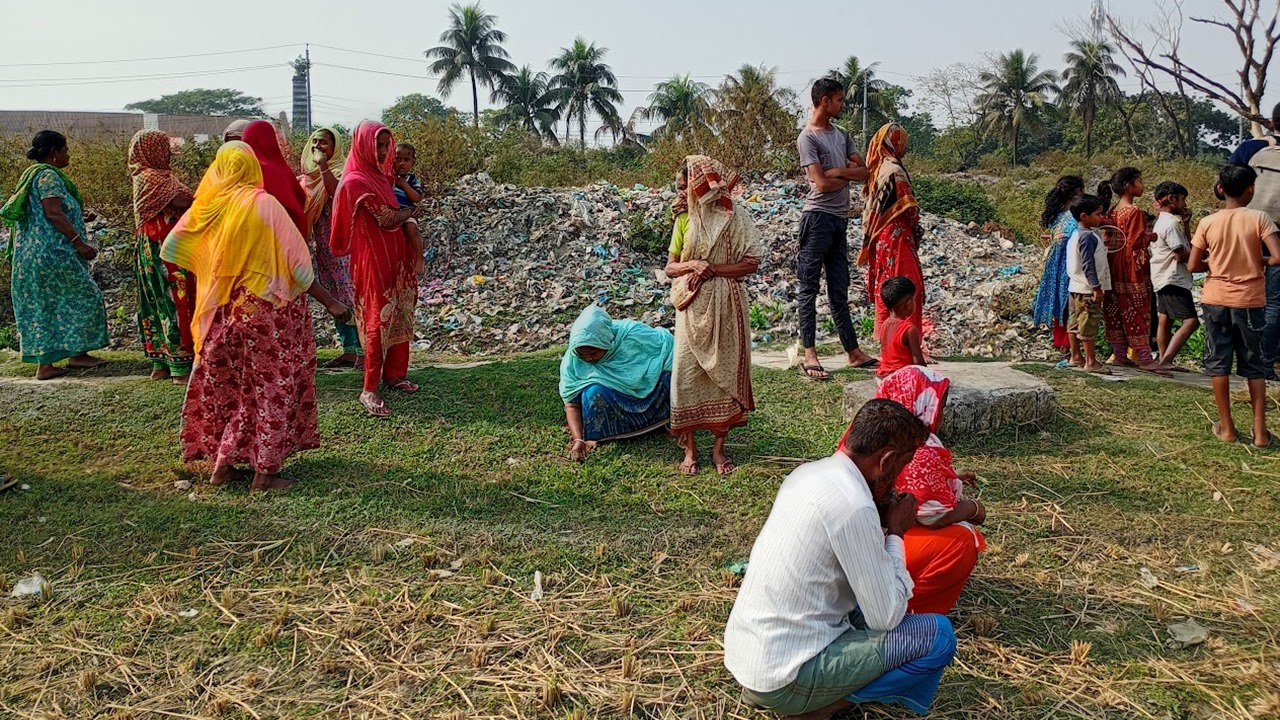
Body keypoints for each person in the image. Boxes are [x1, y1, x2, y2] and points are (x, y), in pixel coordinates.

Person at [724, 399, 955, 719]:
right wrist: (897, 533)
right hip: (783, 680)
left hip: (750, 660)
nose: (900, 481)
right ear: (886, 460)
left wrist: (881, 523)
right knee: (938, 636)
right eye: (901, 467)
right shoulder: (855, 505)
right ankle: (817, 707)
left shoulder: (809, 473)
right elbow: (885, 617)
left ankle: (798, 694)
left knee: (876, 602)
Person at [160, 142, 350, 492]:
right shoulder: (263, 204)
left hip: (224, 311)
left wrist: (214, 266)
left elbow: (171, 247)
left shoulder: (209, 206)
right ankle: (265, 473)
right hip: (269, 312)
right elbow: (299, 268)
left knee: (235, 386)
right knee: (272, 386)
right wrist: (332, 304)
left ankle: (223, 466)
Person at [845, 366, 987, 615]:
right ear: (923, 405)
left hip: (855, 544)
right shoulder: (919, 448)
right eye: (940, 406)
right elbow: (932, 517)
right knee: (963, 539)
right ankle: (909, 609)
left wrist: (952, 476)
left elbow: (906, 485)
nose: (941, 414)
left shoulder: (865, 435)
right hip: (876, 549)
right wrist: (973, 508)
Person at [664, 155, 762, 476]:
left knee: (724, 374)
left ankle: (719, 449)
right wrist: (693, 265)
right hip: (690, 306)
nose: (680, 195)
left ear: (703, 185)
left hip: (726, 304)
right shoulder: (684, 220)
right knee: (685, 376)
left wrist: (713, 270)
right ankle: (690, 449)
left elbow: (751, 263)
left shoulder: (737, 217)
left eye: (685, 187)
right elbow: (670, 267)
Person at [0, 130, 109, 380]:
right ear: (54, 153)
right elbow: (53, 213)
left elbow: (48, 211)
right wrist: (80, 243)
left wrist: (79, 217)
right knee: (85, 296)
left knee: (46, 305)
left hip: (33, 255)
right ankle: (57, 362)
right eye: (65, 149)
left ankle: (65, 358)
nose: (68, 154)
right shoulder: (48, 176)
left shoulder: (31, 175)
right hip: (52, 254)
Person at [331, 121, 420, 418]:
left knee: (400, 311)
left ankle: (394, 374)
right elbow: (385, 218)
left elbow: (397, 213)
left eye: (385, 146)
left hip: (397, 255)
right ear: (362, 145)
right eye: (377, 146)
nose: (383, 152)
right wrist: (409, 212)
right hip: (373, 258)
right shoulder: (356, 181)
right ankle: (369, 388)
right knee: (376, 318)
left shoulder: (382, 177)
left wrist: (404, 214)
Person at [1189, 164, 1280, 448]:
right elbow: (1277, 257)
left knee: (1219, 364)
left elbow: (1193, 265)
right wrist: (1259, 261)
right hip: (1250, 300)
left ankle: (1227, 428)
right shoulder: (1259, 218)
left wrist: (1214, 264)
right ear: (1250, 189)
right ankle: (1260, 433)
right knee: (1254, 366)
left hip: (1216, 298)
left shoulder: (1208, 222)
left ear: (1220, 189)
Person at [795, 78, 877, 381]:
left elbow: (864, 171)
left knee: (839, 289)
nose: (843, 105)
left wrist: (839, 170)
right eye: (839, 100)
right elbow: (822, 184)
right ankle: (810, 353)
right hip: (817, 218)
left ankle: (853, 352)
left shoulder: (841, 135)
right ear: (825, 101)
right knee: (809, 287)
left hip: (839, 219)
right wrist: (845, 173)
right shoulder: (808, 138)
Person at [558, 304, 674, 462]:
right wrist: (578, 440)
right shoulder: (572, 361)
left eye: (594, 353)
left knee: (670, 378)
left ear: (606, 342)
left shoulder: (633, 334)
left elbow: (667, 347)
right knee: (592, 394)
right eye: (583, 355)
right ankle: (601, 433)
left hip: (648, 391)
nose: (588, 359)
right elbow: (571, 405)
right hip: (612, 398)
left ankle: (665, 422)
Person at [128, 130, 195, 383]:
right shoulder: (152, 177)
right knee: (173, 298)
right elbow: (181, 202)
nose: (168, 152)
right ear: (152, 149)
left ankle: (161, 364)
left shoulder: (149, 176)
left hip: (152, 243)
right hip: (163, 245)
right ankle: (179, 367)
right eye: (163, 146)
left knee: (156, 299)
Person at [299, 126, 363, 370]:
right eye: (315, 141)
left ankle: (361, 350)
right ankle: (348, 350)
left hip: (344, 244)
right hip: (324, 247)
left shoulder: (341, 171)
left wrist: (324, 166)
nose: (318, 146)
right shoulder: (308, 176)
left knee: (349, 293)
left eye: (324, 142)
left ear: (335, 147)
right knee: (334, 295)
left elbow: (337, 193)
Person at [861, 123, 925, 343]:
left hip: (881, 240)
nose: (904, 147)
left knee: (886, 288)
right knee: (907, 288)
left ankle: (886, 340)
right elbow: (908, 208)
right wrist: (917, 228)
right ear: (895, 142)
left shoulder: (878, 170)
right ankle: (908, 342)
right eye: (902, 141)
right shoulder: (895, 171)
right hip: (897, 238)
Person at [1104, 167, 1166, 375]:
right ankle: (1145, 358)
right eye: (1139, 181)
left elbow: (1110, 239)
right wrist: (1150, 238)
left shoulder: (1112, 211)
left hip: (1113, 264)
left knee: (1117, 308)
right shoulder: (1135, 212)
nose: (1143, 185)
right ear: (1129, 186)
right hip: (1130, 267)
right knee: (1137, 309)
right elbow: (1135, 243)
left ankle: (1120, 354)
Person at [1032, 176, 1086, 366]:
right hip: (1070, 264)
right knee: (1071, 306)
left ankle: (1064, 346)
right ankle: (1071, 348)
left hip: (1055, 263)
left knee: (1061, 306)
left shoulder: (1057, 214)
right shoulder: (1074, 214)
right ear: (1077, 191)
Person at [1149, 181, 1199, 370]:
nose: (1184, 204)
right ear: (1172, 199)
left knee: (1165, 318)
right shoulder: (1169, 224)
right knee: (1191, 321)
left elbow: (1186, 243)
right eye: (1182, 199)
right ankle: (1167, 359)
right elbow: (1181, 253)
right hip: (1173, 278)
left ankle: (1164, 359)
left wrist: (1186, 225)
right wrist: (1204, 255)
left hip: (1163, 276)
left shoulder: (1164, 221)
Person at [1066, 194, 1112, 375]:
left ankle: (1075, 356)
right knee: (1088, 323)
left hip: (1075, 287)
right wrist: (1096, 287)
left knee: (1075, 322)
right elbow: (1088, 264)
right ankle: (1091, 361)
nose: (1101, 218)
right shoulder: (1087, 237)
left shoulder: (1077, 235)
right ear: (1084, 216)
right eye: (1098, 214)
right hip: (1087, 289)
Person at [242, 120, 308, 238]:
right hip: (288, 238)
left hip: (260, 238)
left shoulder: (249, 169)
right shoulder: (282, 168)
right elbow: (299, 199)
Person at [875, 277, 926, 379]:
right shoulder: (909, 329)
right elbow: (918, 362)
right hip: (901, 379)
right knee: (943, 383)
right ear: (909, 304)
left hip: (883, 378)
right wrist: (927, 375)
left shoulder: (884, 325)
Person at [392, 142, 426, 278]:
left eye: (406, 160)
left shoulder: (412, 179)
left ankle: (420, 257)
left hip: (407, 214)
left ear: (413, 162)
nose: (402, 163)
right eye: (397, 159)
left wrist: (404, 184)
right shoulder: (388, 178)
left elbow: (417, 198)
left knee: (411, 228)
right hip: (392, 215)